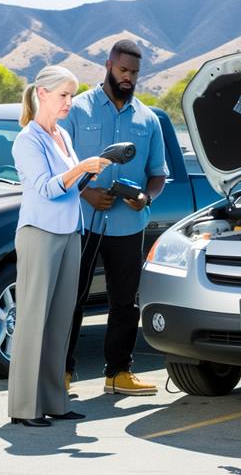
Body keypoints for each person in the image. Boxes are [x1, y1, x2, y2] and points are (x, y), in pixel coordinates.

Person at [62, 39, 169, 396]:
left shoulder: (148, 118)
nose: (128, 78)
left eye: (135, 73)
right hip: (83, 223)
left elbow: (158, 174)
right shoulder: (77, 110)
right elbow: (61, 168)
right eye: (123, 70)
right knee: (71, 299)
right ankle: (60, 373)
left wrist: (145, 197)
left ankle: (118, 373)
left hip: (128, 225)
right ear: (108, 65)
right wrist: (85, 192)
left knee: (125, 302)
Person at [7, 65, 112, 427]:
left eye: (72, 94)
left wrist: (84, 172)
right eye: (64, 95)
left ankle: (54, 400)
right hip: (39, 234)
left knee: (60, 321)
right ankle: (24, 407)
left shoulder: (62, 136)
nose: (69, 101)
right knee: (33, 320)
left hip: (69, 234)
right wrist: (79, 168)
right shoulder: (28, 139)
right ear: (42, 94)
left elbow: (69, 188)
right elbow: (48, 187)